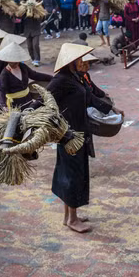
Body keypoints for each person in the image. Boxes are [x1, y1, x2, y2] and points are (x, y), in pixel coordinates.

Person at [49, 43, 114, 233]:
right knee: (72, 175)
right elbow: (43, 99)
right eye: (80, 59)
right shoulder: (61, 79)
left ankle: (68, 216)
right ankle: (72, 219)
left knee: (73, 173)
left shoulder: (76, 77)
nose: (83, 62)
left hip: (80, 131)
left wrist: (111, 109)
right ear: (72, 61)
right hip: (69, 135)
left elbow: (90, 97)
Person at [0, 43, 52, 111]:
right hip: (15, 104)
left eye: (16, 61)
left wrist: (51, 78)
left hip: (28, 99)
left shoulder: (23, 67)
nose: (15, 63)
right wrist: (3, 105)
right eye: (12, 62)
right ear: (7, 60)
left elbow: (35, 75)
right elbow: (1, 90)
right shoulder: (4, 74)